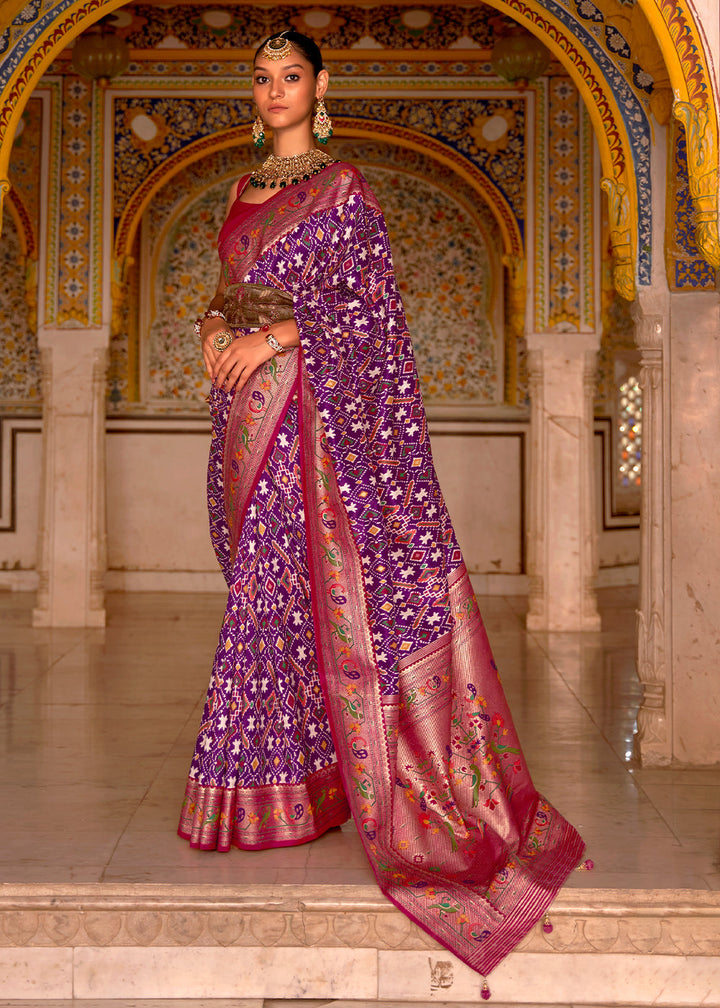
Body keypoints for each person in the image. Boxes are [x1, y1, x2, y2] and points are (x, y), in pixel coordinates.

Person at [179, 28, 585, 988]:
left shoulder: (344, 188)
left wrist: (278, 335)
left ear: (320, 86)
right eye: (262, 78)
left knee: (283, 596)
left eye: (291, 76)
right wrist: (214, 324)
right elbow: (230, 291)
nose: (275, 91)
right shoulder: (240, 192)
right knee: (268, 601)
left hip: (313, 424)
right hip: (245, 415)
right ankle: (288, 786)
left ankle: (277, 789)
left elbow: (372, 311)